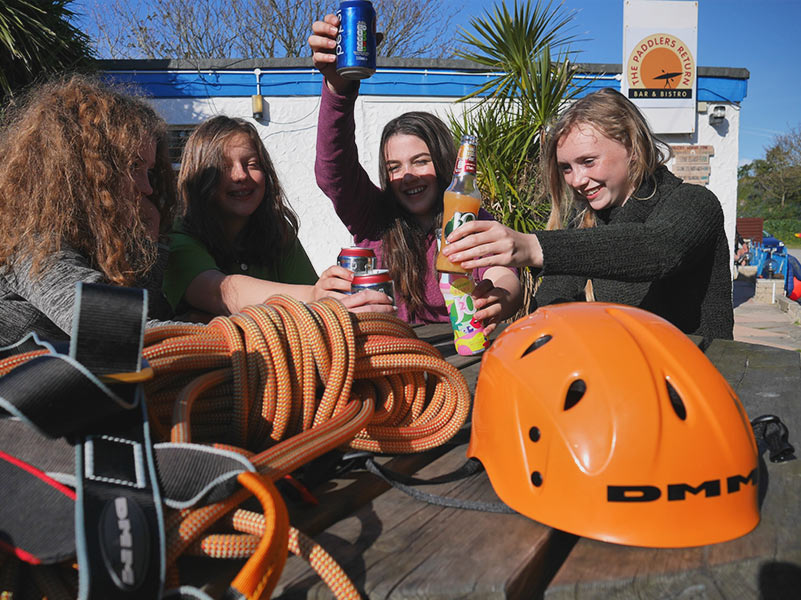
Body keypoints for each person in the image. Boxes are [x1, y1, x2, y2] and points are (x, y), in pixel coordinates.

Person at [441, 87, 734, 340]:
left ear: (632, 147)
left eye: (588, 161)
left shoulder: (694, 202)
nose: (577, 179)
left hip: (701, 380)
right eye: (566, 167)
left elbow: (658, 248)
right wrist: (500, 303)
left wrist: (532, 246)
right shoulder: (585, 221)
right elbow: (551, 302)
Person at [308, 14, 522, 331]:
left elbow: (501, 272)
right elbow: (333, 169)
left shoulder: (468, 218)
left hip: (461, 350)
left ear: (443, 162)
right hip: (388, 353)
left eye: (420, 161)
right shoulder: (371, 215)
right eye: (394, 167)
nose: (407, 175)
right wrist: (338, 88)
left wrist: (498, 295)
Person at [0, 74, 177, 346]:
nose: (147, 188)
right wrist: (240, 335)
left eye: (149, 171)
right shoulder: (33, 247)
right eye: (133, 167)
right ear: (84, 171)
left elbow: (145, 316)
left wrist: (148, 241)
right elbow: (113, 331)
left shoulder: (99, 245)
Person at [163, 115, 394, 319]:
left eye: (252, 164)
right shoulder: (179, 237)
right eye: (223, 167)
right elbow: (219, 292)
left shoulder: (277, 231)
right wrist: (315, 296)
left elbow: (308, 307)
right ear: (200, 176)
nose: (241, 175)